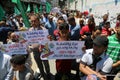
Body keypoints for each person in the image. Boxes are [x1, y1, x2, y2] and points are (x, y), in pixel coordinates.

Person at [29, 14, 50, 80]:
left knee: (46, 64)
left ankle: (48, 75)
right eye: (31, 21)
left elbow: (47, 41)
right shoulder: (30, 31)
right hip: (35, 51)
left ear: (38, 21)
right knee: (39, 64)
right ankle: (43, 74)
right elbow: (29, 41)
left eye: (34, 21)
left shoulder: (44, 30)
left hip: (44, 49)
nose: (33, 23)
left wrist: (43, 46)